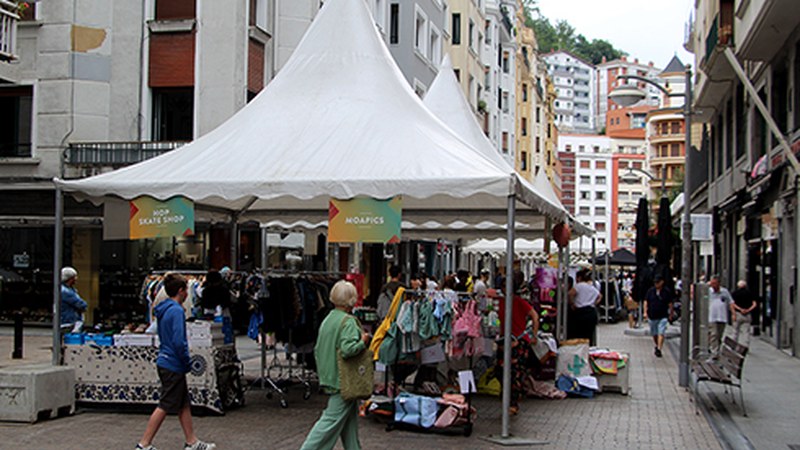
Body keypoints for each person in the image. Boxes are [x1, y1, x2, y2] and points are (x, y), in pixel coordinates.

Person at [136, 273, 215, 450]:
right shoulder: (177, 311)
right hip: (173, 363)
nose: (188, 293)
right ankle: (144, 443)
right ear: (181, 291)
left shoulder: (163, 310)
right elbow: (179, 341)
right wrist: (187, 361)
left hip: (165, 358)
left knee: (182, 403)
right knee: (166, 404)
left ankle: (191, 441)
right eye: (186, 289)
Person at [301, 281, 369, 450]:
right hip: (344, 380)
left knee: (349, 426)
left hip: (330, 376)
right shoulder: (348, 322)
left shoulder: (328, 319)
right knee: (329, 421)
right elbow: (348, 349)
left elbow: (318, 349)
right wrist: (363, 341)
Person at [494, 270, 539, 415]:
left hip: (517, 341)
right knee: (501, 371)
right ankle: (507, 400)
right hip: (504, 340)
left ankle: (513, 403)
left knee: (514, 373)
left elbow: (535, 316)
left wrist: (533, 335)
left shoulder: (519, 302)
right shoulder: (500, 302)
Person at [567, 269, 601, 345]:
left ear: (579, 278)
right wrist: (593, 303)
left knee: (578, 334)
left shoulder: (579, 286)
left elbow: (570, 294)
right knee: (588, 335)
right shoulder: (591, 287)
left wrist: (572, 303)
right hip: (591, 312)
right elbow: (599, 296)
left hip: (580, 313)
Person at [199, 269, 233, 344]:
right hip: (224, 315)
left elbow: (203, 304)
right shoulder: (224, 289)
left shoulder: (206, 291)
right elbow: (228, 303)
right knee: (226, 338)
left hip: (209, 316)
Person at [643, 275, 674, 358]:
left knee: (661, 332)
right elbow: (646, 301)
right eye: (655, 282)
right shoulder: (650, 291)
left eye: (658, 282)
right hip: (652, 315)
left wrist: (671, 314)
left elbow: (670, 304)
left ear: (662, 282)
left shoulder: (666, 291)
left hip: (663, 315)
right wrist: (645, 312)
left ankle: (659, 348)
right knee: (654, 333)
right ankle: (657, 345)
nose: (656, 284)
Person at [707, 275, 733, 359]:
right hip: (711, 317)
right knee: (714, 334)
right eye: (712, 283)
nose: (713, 285)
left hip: (722, 317)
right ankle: (715, 353)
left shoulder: (724, 292)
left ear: (719, 283)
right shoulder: (708, 291)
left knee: (719, 335)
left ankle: (715, 349)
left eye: (715, 283)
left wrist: (733, 314)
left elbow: (731, 302)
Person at [730, 280, 758, 347]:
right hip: (747, 315)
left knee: (735, 331)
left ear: (738, 286)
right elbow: (754, 304)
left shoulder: (735, 293)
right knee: (746, 332)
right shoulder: (750, 293)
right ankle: (745, 346)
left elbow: (732, 304)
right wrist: (748, 310)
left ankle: (733, 345)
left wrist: (739, 310)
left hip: (738, 314)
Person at [60, 267, 88, 332]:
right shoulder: (66, 292)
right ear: (70, 279)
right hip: (69, 322)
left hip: (66, 321)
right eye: (74, 277)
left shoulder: (66, 289)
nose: (76, 279)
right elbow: (82, 304)